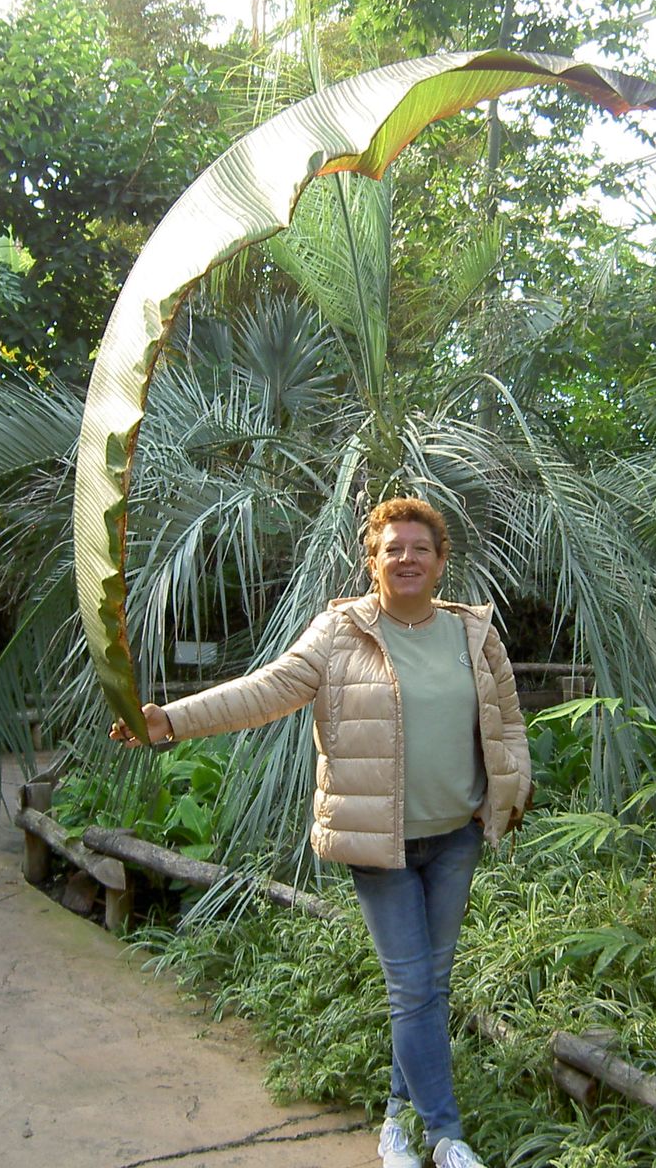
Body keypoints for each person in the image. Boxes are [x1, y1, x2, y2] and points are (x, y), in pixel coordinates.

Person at [110, 496, 532, 1168]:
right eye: (392, 548)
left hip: (456, 836)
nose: (407, 558)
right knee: (413, 987)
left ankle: (396, 1123)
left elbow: (508, 724)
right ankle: (446, 1136)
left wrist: (507, 796)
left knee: (431, 986)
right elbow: (267, 689)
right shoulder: (341, 632)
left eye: (420, 548)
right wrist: (173, 721)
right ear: (372, 561)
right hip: (378, 842)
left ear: (440, 561)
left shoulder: (474, 635)